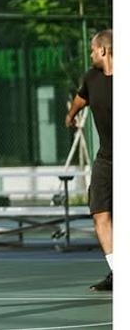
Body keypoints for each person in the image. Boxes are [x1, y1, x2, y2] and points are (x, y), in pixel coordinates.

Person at [65, 29, 113, 293]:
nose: (91, 53)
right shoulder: (92, 77)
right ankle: (118, 271)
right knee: (100, 213)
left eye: (93, 49)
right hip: (106, 159)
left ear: (104, 50)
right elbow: (81, 98)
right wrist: (70, 115)